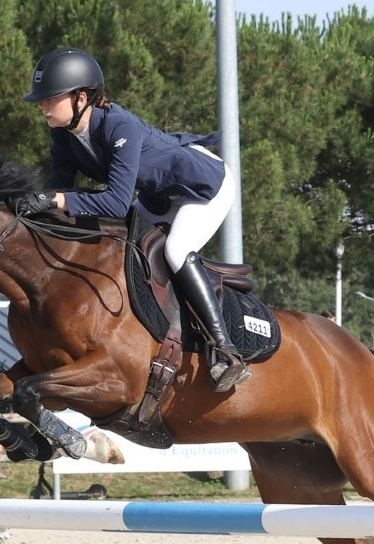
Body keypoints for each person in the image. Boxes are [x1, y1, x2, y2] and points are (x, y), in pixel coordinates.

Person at [15, 46, 248, 392]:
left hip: (204, 186)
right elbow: (60, 192)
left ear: (82, 97)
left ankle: (224, 349)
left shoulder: (118, 126)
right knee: (127, 247)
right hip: (159, 194)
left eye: (50, 98)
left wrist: (58, 199)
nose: (42, 105)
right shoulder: (62, 135)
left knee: (175, 250)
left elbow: (114, 202)